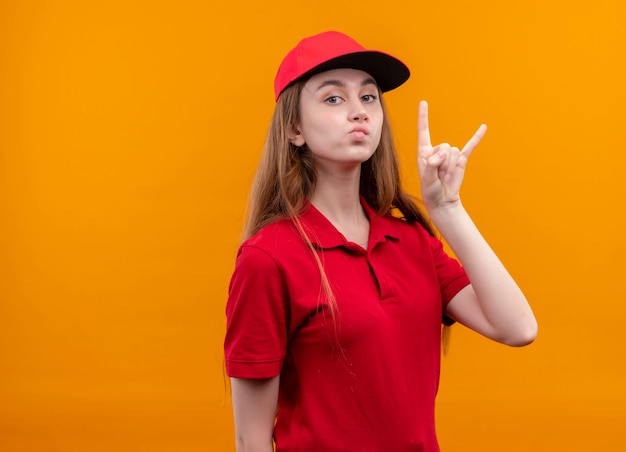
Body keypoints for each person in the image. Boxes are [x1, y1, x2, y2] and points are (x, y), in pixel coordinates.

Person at [224, 30, 537, 452]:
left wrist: (447, 209)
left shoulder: (412, 241)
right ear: (295, 129)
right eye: (334, 99)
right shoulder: (268, 258)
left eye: (368, 98)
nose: (359, 112)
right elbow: (251, 438)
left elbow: (517, 327)